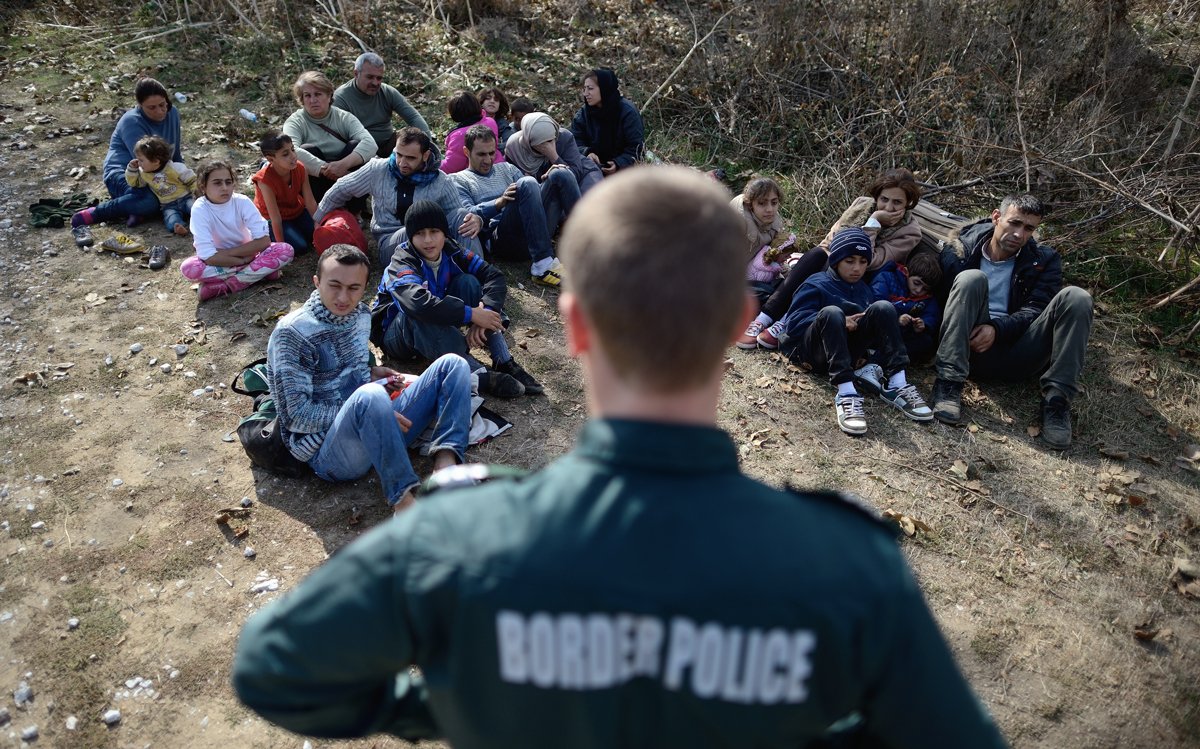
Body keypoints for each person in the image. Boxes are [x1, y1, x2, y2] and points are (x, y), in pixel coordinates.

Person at [232, 166, 1008, 749]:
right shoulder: (848, 567)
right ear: (738, 322)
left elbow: (275, 670)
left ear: (574, 326)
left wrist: (442, 701)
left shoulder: (456, 541)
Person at [266, 244, 471, 512]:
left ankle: (445, 464)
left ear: (364, 288)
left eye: (354, 288)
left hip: (376, 423)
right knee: (370, 396)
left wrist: (372, 374)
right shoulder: (291, 333)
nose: (343, 297)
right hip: (329, 452)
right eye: (334, 285)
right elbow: (296, 416)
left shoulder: (361, 315)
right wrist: (377, 412)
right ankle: (404, 504)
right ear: (316, 282)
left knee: (453, 365)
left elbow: (350, 371)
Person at [930, 194, 1093, 449]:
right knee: (971, 278)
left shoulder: (1043, 259)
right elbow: (941, 301)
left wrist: (997, 329)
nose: (1019, 234)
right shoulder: (960, 250)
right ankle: (948, 383)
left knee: (1078, 297)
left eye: (1028, 228)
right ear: (997, 217)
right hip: (968, 347)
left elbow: (1036, 308)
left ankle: (1057, 403)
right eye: (1014, 223)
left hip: (1020, 349)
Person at [739, 167, 924, 350]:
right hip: (832, 265)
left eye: (897, 202)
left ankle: (786, 321)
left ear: (908, 203)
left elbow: (871, 261)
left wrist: (874, 222)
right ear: (877, 197)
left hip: (861, 281)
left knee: (834, 262)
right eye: (884, 199)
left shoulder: (910, 232)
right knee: (817, 255)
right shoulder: (862, 205)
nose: (888, 207)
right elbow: (829, 241)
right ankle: (764, 318)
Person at [374, 201, 543, 399]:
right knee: (417, 313)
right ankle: (480, 375)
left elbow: (493, 276)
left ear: (444, 233)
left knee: (469, 282)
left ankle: (503, 359)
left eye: (434, 231)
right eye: (419, 233)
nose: (428, 240)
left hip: (437, 319)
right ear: (410, 237)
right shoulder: (402, 260)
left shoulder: (452, 250)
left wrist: (486, 312)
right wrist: (471, 313)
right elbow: (417, 304)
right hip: (398, 336)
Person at [777, 228, 933, 435]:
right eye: (849, 261)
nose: (857, 268)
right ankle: (846, 394)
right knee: (832, 313)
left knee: (884, 307)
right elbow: (794, 324)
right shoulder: (816, 283)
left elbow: (869, 329)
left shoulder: (863, 289)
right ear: (836, 261)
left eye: (862, 261)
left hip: (844, 353)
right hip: (810, 352)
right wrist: (840, 321)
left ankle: (897, 383)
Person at [315, 126, 481, 267]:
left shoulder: (441, 180)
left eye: (410, 158)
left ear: (425, 156)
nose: (402, 162)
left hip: (431, 238)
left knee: (463, 217)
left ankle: (476, 271)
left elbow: (456, 213)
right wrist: (318, 220)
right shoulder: (378, 169)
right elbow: (342, 188)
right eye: (399, 154)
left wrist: (474, 219)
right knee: (417, 223)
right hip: (391, 240)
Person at [451, 125, 570, 287]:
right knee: (527, 182)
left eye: (491, 153)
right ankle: (542, 266)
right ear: (466, 152)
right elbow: (468, 214)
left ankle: (587, 245)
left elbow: (530, 198)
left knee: (560, 173)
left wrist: (545, 184)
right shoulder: (458, 180)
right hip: (502, 238)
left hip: (535, 231)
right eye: (481, 154)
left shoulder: (508, 168)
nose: (487, 160)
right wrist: (499, 203)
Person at [71, 78, 183, 245]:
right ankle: (95, 213)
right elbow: (147, 165)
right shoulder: (131, 121)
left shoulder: (172, 114)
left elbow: (176, 155)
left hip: (158, 173)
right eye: (152, 108)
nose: (160, 111)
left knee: (180, 197)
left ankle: (135, 210)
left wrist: (185, 180)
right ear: (139, 106)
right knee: (152, 201)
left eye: (162, 104)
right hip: (127, 173)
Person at [180, 161, 294, 301]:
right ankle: (259, 273)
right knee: (189, 268)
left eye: (228, 182)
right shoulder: (200, 208)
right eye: (217, 183)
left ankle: (228, 285)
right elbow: (207, 255)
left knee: (285, 250)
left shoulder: (242, 201)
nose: (225, 187)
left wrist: (232, 254)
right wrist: (243, 261)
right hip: (221, 261)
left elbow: (264, 241)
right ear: (203, 186)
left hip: (250, 254)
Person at [282, 71, 377, 201]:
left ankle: (355, 211)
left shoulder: (343, 117)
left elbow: (370, 143)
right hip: (316, 180)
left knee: (355, 145)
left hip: (346, 175)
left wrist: (343, 165)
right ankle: (319, 210)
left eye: (318, 94)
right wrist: (326, 169)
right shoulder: (295, 121)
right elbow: (291, 150)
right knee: (307, 149)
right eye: (307, 96)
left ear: (329, 95)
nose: (313, 100)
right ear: (302, 100)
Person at [333, 52, 432, 158]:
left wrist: (429, 146)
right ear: (356, 74)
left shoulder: (387, 92)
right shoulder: (341, 98)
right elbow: (339, 137)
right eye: (370, 77)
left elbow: (413, 117)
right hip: (359, 152)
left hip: (388, 147)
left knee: (411, 136)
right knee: (354, 145)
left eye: (379, 78)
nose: (375, 83)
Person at [730, 176, 798, 309]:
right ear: (750, 205)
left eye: (774, 202)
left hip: (758, 275)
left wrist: (788, 274)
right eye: (762, 203)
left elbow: (774, 255)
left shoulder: (775, 223)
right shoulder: (735, 223)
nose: (770, 209)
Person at [107, 135, 195, 236]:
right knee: (171, 219)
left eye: (141, 160)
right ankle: (180, 227)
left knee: (195, 208)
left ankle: (205, 221)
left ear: (156, 161)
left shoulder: (175, 168)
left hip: (185, 198)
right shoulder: (144, 174)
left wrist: (197, 193)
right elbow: (134, 183)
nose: (138, 163)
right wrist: (132, 170)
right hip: (168, 205)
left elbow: (192, 180)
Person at [569, 67, 645, 177]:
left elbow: (637, 147)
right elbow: (574, 141)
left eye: (590, 88)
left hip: (626, 172)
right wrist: (587, 152)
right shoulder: (583, 114)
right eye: (584, 89)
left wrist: (619, 163)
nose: (586, 93)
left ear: (604, 88)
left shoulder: (627, 112)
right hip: (591, 168)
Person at [504, 111, 602, 195]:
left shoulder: (563, 137)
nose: (549, 144)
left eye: (552, 140)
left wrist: (553, 156)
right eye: (543, 143)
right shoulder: (514, 147)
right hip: (548, 190)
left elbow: (574, 175)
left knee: (588, 203)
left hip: (583, 174)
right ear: (530, 140)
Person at [252, 132, 317, 256]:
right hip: (274, 219)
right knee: (300, 247)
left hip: (296, 211)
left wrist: (319, 224)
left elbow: (310, 202)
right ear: (271, 159)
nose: (293, 156)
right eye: (285, 154)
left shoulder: (300, 168)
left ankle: (296, 230)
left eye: (293, 149)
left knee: (316, 234)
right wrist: (281, 248)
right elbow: (275, 217)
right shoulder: (265, 180)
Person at [871, 251, 942, 359]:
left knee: (925, 341)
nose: (919, 290)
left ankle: (885, 356)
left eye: (925, 289)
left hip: (904, 335)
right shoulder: (887, 278)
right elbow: (876, 302)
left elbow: (932, 315)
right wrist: (896, 319)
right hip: (881, 328)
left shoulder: (928, 298)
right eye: (916, 283)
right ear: (906, 272)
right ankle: (878, 356)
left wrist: (923, 325)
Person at [439, 90, 505, 174]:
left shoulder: (459, 136)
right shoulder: (490, 122)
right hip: (500, 167)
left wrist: (431, 165)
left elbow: (452, 166)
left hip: (480, 175)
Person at [478, 86, 515, 154]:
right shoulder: (473, 119)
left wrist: (492, 149)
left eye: (496, 100)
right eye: (488, 98)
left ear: (500, 105)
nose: (492, 101)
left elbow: (510, 141)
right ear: (481, 102)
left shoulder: (501, 122)